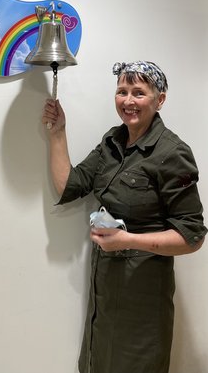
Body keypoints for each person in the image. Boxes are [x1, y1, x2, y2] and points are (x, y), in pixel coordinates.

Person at [42, 61, 206, 373]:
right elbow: (70, 186)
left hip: (142, 299)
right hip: (103, 290)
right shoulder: (112, 142)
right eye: (122, 91)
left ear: (160, 100)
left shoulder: (172, 153)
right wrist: (58, 132)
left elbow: (191, 236)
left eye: (139, 93)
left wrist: (127, 240)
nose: (128, 101)